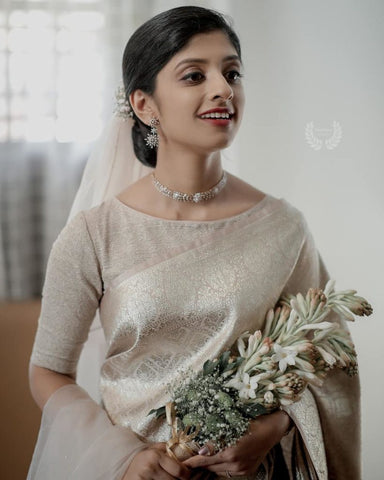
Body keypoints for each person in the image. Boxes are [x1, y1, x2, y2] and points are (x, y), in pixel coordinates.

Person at [27, 6, 360, 480]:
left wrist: (276, 425)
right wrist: (121, 456)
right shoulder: (93, 234)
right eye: (193, 75)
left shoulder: (283, 227)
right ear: (144, 104)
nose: (223, 88)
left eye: (232, 72)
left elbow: (328, 355)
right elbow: (48, 372)